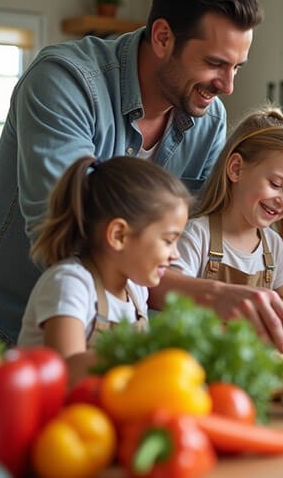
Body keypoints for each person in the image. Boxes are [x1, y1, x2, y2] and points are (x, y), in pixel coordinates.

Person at [0, 0, 283, 349]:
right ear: (163, 37)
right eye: (215, 63)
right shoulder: (64, 81)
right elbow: (70, 236)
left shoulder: (208, 119)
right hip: (13, 322)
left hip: (118, 331)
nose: (227, 86)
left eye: (237, 67)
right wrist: (212, 294)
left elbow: (189, 239)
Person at [150, 107, 283, 351]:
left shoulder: (273, 244)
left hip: (253, 359)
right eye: (276, 185)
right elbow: (167, 293)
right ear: (236, 169)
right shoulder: (198, 234)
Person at [17, 156, 190, 385]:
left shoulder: (137, 290)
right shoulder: (69, 284)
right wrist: (152, 356)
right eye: (168, 240)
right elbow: (65, 372)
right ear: (119, 235)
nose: (175, 254)